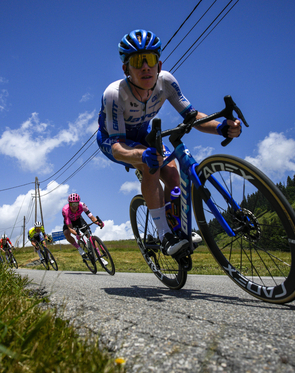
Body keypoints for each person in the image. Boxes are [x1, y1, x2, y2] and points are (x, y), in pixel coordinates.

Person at [96, 29, 242, 256]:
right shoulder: (114, 94)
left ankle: (176, 226)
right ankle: (164, 235)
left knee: (173, 174)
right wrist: (139, 157)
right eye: (137, 61)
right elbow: (117, 147)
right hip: (114, 140)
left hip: (144, 134)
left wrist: (222, 127)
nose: (145, 67)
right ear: (126, 69)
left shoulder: (166, 82)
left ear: (159, 65)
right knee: (150, 164)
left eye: (151, 60)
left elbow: (192, 117)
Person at [62, 193, 106, 265]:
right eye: (71, 204)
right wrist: (76, 233)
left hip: (79, 220)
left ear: (78, 203)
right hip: (69, 222)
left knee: (90, 236)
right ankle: (79, 249)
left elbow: (92, 218)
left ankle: (100, 257)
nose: (74, 206)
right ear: (68, 203)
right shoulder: (65, 210)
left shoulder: (82, 205)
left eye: (75, 204)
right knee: (66, 233)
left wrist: (98, 223)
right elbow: (70, 228)